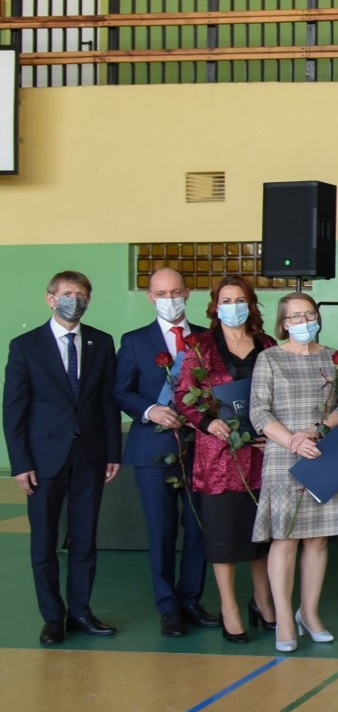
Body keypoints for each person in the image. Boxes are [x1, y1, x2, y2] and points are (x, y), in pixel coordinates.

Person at [4, 271, 122, 645]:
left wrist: (112, 452)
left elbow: (107, 401)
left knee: (84, 539)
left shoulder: (101, 342)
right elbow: (14, 410)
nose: (75, 299)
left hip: (90, 454)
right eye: (68, 293)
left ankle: (81, 611)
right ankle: (53, 617)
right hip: (43, 459)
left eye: (82, 294)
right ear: (50, 299)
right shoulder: (25, 346)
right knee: (43, 542)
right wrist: (20, 462)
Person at [113, 267, 217, 638]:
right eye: (161, 293)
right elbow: (120, 391)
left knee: (198, 528)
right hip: (153, 450)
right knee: (161, 529)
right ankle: (167, 606)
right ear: (150, 297)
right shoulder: (134, 341)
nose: (169, 299)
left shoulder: (208, 338)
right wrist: (149, 410)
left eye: (175, 292)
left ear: (187, 293)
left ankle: (191, 599)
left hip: (201, 447)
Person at [173, 275, 277, 643]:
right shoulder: (201, 346)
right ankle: (229, 607)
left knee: (262, 536)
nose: (234, 307)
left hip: (262, 454)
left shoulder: (267, 344)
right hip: (218, 456)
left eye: (240, 300)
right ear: (216, 306)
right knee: (222, 537)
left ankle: (263, 601)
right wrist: (207, 422)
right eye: (226, 300)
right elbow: (183, 394)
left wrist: (275, 430)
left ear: (251, 304)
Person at [250, 292, 338, 653]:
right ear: (283, 323)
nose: (304, 321)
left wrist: (319, 430)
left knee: (318, 539)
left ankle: (309, 613)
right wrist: (292, 441)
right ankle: (284, 620)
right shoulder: (269, 358)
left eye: (309, 314)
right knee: (285, 539)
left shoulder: (334, 358)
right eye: (295, 316)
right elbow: (258, 411)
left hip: (322, 454)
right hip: (283, 456)